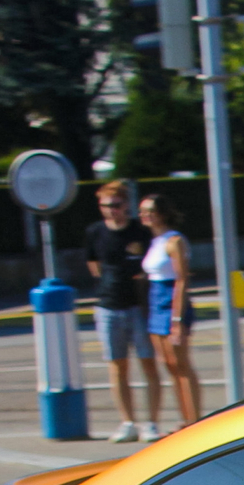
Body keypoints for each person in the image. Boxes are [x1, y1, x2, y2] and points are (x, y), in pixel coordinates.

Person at [83, 180, 165, 441]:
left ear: (126, 205)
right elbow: (93, 264)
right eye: (105, 206)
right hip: (107, 305)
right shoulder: (95, 231)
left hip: (138, 307)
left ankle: (151, 422)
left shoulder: (140, 232)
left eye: (116, 205)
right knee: (117, 366)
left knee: (148, 364)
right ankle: (127, 421)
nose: (111, 211)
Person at [136, 193, 204, 428]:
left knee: (181, 364)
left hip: (171, 303)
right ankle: (184, 417)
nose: (144, 215)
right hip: (155, 302)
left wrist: (177, 319)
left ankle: (194, 419)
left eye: (149, 211)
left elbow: (182, 280)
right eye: (142, 211)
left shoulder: (174, 241)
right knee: (169, 365)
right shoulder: (154, 240)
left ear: (162, 213)